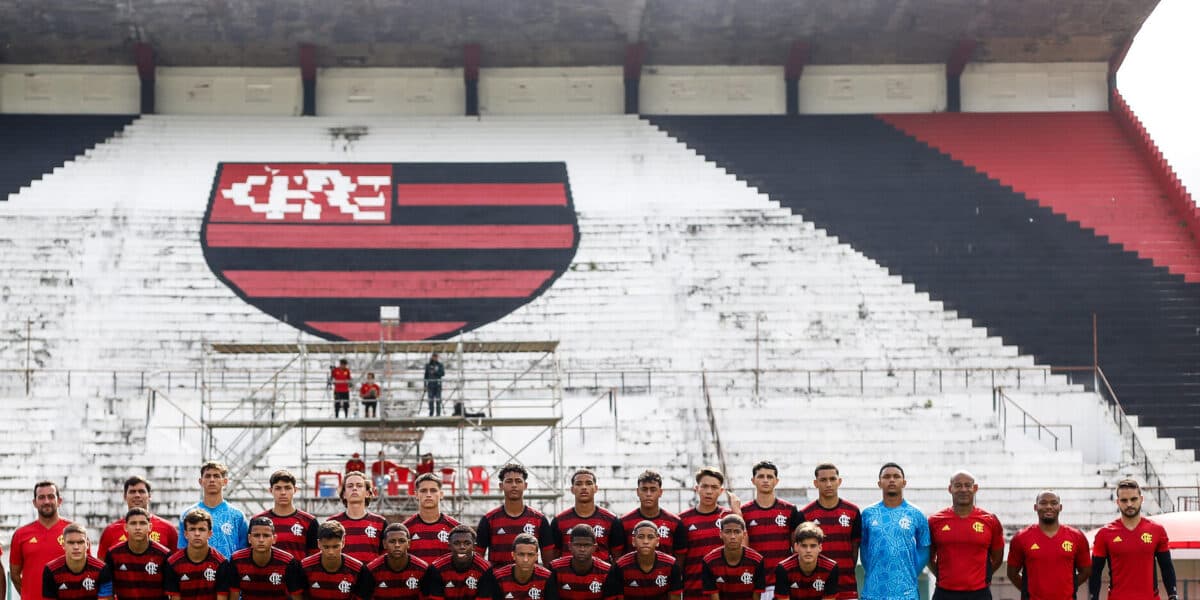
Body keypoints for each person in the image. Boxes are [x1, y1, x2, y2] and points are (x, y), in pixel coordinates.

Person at [1088, 479, 1177, 600]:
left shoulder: (1157, 530)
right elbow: (1095, 572)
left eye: (1133, 499)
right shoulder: (1104, 533)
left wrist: (1173, 595)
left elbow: (1166, 566)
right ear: (1118, 502)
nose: (1129, 504)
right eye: (1124, 500)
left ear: (1141, 499)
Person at [928, 471, 1003, 600]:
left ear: (975, 488)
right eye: (958, 485)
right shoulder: (934, 521)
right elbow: (929, 557)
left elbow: (997, 558)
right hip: (944, 593)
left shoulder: (990, 520)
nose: (963, 489)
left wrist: (980, 578)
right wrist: (943, 577)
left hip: (979, 593)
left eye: (968, 485)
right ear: (950, 489)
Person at [859, 463, 929, 600]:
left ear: (904, 483)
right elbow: (863, 546)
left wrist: (911, 572)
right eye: (886, 477)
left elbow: (925, 548)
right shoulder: (868, 514)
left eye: (896, 476)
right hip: (874, 591)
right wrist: (874, 570)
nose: (891, 480)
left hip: (906, 592)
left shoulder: (916, 514)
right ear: (879, 483)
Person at [1007, 491, 1091, 600]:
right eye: (1043, 503)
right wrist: (1028, 591)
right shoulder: (1021, 537)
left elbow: (1086, 571)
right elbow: (1012, 573)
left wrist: (1069, 588)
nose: (1048, 506)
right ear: (1035, 507)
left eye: (1053, 503)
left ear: (1060, 507)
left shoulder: (1077, 537)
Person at [740, 461, 804, 600]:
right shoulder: (744, 511)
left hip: (782, 583)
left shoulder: (789, 509)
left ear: (776, 481)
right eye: (761, 476)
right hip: (755, 583)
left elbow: (797, 548)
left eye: (769, 477)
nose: (765, 480)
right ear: (753, 480)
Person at [680, 467, 741, 600]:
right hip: (694, 589)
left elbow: (743, 548)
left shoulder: (729, 517)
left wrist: (738, 513)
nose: (709, 491)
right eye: (705, 486)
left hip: (725, 589)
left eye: (714, 487)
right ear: (697, 488)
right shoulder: (683, 519)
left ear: (721, 491)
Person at [475, 463, 554, 568]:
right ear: (501, 486)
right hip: (497, 582)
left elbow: (548, 562)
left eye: (518, 481)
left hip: (530, 583)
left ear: (525, 485)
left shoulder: (539, 520)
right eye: (509, 481)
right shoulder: (489, 520)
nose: (514, 485)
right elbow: (478, 559)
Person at [800, 464, 860, 600]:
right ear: (816, 483)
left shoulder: (853, 511)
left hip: (846, 586)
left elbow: (855, 549)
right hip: (816, 587)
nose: (828, 484)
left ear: (839, 481)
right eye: (823, 480)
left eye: (832, 479)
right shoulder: (805, 514)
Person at [10, 479, 72, 600]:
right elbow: (14, 574)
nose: (46, 501)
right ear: (35, 502)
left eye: (51, 496)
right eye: (41, 497)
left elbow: (87, 571)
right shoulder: (20, 534)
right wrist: (28, 594)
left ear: (59, 501)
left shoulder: (74, 532)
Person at [215, 517, 304, 600]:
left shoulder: (288, 561)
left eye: (266, 535)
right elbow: (234, 596)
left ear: (274, 539)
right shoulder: (237, 560)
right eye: (256, 535)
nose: (261, 540)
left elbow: (297, 596)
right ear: (249, 538)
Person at [547, 469, 624, 562]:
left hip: (601, 575)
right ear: (572, 489)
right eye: (579, 484)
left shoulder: (611, 520)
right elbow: (554, 556)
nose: (584, 487)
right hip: (568, 575)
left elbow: (617, 557)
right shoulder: (559, 521)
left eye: (588, 483)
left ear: (595, 488)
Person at [178, 462, 248, 560]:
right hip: (197, 572)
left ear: (225, 481)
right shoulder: (187, 514)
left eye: (216, 476)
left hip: (228, 572)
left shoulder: (237, 515)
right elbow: (182, 548)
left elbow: (245, 550)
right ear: (200, 481)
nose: (212, 480)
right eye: (207, 476)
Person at [99, 476, 179, 560]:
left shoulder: (168, 529)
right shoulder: (110, 531)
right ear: (125, 496)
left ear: (149, 496)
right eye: (132, 492)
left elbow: (176, 564)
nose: (137, 495)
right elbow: (102, 565)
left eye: (141, 491)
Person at [101, 507, 173, 600]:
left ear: (150, 527)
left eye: (142, 523)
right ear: (125, 527)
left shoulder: (164, 554)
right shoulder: (113, 554)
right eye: (133, 523)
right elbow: (108, 593)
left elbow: (171, 594)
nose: (138, 528)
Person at [619, 471, 687, 558]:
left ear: (660, 492)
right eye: (644, 489)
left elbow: (679, 558)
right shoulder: (624, 523)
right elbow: (619, 558)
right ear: (637, 492)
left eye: (653, 489)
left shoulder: (675, 523)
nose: (648, 494)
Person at [163, 509, 228, 600]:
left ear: (210, 534)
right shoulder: (173, 563)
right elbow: (175, 597)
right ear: (185, 534)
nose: (197, 534)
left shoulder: (221, 562)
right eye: (192, 529)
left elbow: (222, 598)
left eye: (201, 529)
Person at [253, 470, 318, 559]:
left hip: (297, 573)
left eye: (287, 488)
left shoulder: (309, 521)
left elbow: (315, 557)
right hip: (267, 573)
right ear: (271, 490)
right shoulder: (257, 521)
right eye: (278, 488)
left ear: (295, 490)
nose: (283, 492)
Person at [611, 520, 683, 600]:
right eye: (641, 537)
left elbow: (675, 597)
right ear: (633, 541)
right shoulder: (621, 566)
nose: (645, 541)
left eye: (650, 537)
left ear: (657, 541)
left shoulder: (671, 565)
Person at [299, 521, 372, 600]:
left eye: (335, 547)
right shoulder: (304, 567)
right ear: (319, 544)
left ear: (343, 542)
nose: (331, 552)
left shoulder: (358, 569)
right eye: (326, 547)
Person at [327, 471, 389, 564]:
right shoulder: (332, 523)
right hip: (342, 577)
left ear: (368, 493)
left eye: (359, 485)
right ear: (344, 494)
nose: (354, 488)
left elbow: (385, 557)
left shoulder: (380, 522)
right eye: (350, 486)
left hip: (370, 577)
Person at [701, 515, 765, 600]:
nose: (732, 537)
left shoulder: (757, 560)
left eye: (737, 532)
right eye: (727, 532)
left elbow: (756, 596)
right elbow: (714, 597)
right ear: (720, 534)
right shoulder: (709, 561)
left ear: (744, 534)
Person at [548, 525, 620, 600]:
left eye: (587, 545)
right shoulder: (555, 568)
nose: (582, 549)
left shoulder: (607, 571)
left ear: (594, 547)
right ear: (570, 546)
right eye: (577, 545)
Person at [402, 473, 462, 563]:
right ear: (416, 495)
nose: (428, 495)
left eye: (433, 490)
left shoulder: (456, 528)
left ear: (441, 494)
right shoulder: (405, 529)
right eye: (423, 491)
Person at [42, 523, 111, 600]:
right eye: (71, 543)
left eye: (80, 542)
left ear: (87, 544)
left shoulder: (101, 569)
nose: (76, 547)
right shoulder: (51, 570)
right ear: (63, 545)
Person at [423, 525, 492, 600]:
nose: (462, 547)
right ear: (449, 546)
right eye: (456, 543)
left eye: (467, 543)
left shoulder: (485, 568)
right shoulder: (436, 568)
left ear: (474, 546)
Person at [479, 533, 555, 600]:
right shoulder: (499, 577)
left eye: (530, 555)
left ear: (536, 556)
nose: (525, 559)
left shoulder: (547, 577)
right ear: (513, 555)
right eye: (521, 554)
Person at [366, 523, 432, 600]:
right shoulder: (371, 570)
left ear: (409, 543)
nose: (397, 545)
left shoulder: (423, 569)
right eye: (392, 541)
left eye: (402, 541)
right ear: (384, 544)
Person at [774, 523, 839, 600]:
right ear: (796, 547)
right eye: (804, 546)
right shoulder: (783, 568)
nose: (808, 550)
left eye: (813, 546)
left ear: (820, 547)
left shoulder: (831, 568)